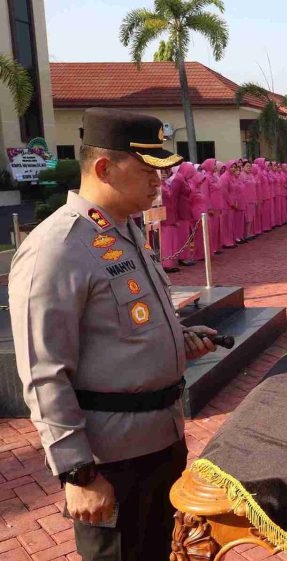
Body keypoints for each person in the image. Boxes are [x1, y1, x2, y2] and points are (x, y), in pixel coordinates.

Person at [8, 108, 221, 561]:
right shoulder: (58, 247)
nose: (158, 181)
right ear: (104, 168)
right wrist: (78, 473)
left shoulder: (125, 229)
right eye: (147, 170)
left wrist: (179, 339)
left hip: (162, 441)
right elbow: (43, 372)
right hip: (110, 461)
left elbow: (122, 328)